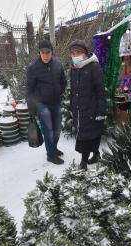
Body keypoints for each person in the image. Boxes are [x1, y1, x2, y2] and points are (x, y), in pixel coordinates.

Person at [27, 40, 67, 165]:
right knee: (48, 130)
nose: (45, 55)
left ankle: (53, 148)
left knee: (57, 129)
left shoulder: (57, 65)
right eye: (42, 52)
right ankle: (51, 155)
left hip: (55, 102)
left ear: (52, 53)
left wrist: (59, 92)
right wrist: (32, 108)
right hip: (41, 103)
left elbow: (63, 81)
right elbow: (29, 89)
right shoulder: (33, 68)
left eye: (47, 52)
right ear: (39, 53)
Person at [69, 40, 107, 170]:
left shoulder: (94, 67)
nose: (75, 55)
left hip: (91, 109)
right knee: (88, 135)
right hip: (79, 109)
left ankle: (83, 162)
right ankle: (96, 154)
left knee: (87, 136)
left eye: (78, 52)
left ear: (85, 53)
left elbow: (101, 91)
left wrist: (101, 111)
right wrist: (72, 107)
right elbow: (73, 91)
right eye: (73, 53)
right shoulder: (74, 69)